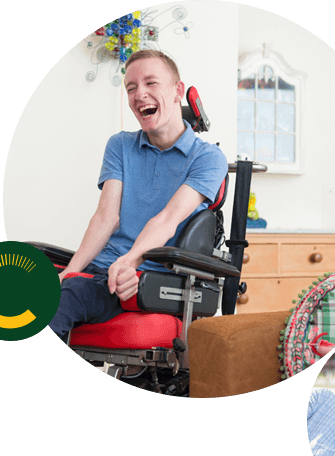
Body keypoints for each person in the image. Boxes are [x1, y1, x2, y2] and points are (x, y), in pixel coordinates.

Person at [49, 50, 228, 343]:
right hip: (102, 270)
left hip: (146, 280)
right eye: (131, 88)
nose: (139, 94)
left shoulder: (208, 158)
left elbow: (168, 220)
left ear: (177, 91)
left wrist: (130, 260)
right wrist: (70, 271)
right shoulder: (120, 145)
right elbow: (106, 216)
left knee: (63, 298)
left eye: (151, 83)